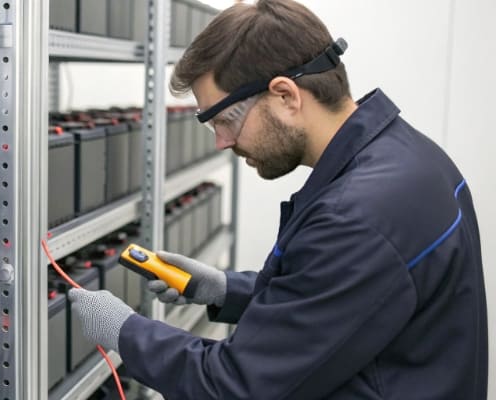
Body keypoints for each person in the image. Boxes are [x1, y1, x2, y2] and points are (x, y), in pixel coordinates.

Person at [67, 0, 489, 398]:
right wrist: (226, 290)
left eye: (226, 120)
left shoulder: (358, 216)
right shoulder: (410, 156)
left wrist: (126, 332)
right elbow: (340, 302)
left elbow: (236, 386)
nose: (221, 142)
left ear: (286, 95)